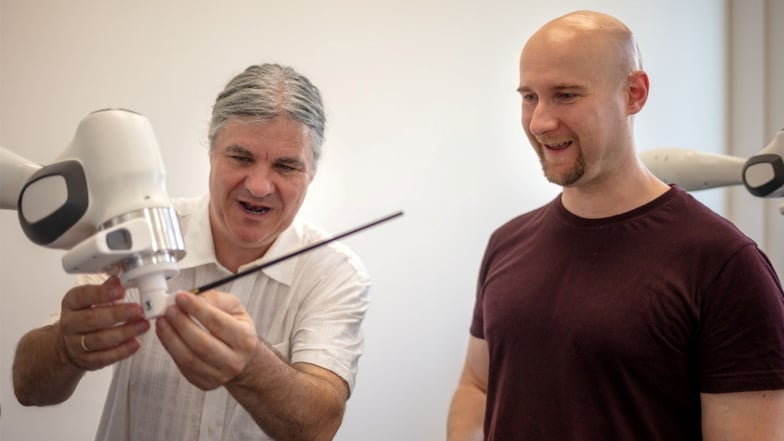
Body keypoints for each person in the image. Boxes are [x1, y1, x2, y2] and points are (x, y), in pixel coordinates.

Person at [446, 10, 784, 441]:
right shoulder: (507, 243)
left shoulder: (723, 264)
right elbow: (477, 385)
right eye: (530, 96)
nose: (540, 121)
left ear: (634, 93)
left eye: (566, 95)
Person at [13, 63, 371, 441]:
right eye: (241, 157)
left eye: (285, 166)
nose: (260, 185)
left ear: (312, 171)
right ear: (213, 151)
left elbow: (318, 427)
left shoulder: (334, 273)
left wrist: (251, 366)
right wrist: (66, 348)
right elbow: (28, 388)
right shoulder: (136, 227)